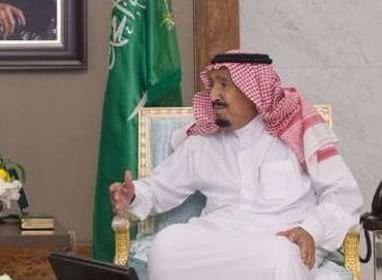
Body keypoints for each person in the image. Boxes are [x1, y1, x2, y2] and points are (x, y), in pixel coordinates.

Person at [109, 51, 363, 280]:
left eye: (224, 84)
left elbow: (343, 194)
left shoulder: (299, 131)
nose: (213, 95)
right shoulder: (203, 142)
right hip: (221, 237)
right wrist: (133, 196)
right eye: (212, 84)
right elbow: (160, 188)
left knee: (280, 256)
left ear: (253, 91)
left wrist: (311, 231)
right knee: (166, 246)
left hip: (281, 239)